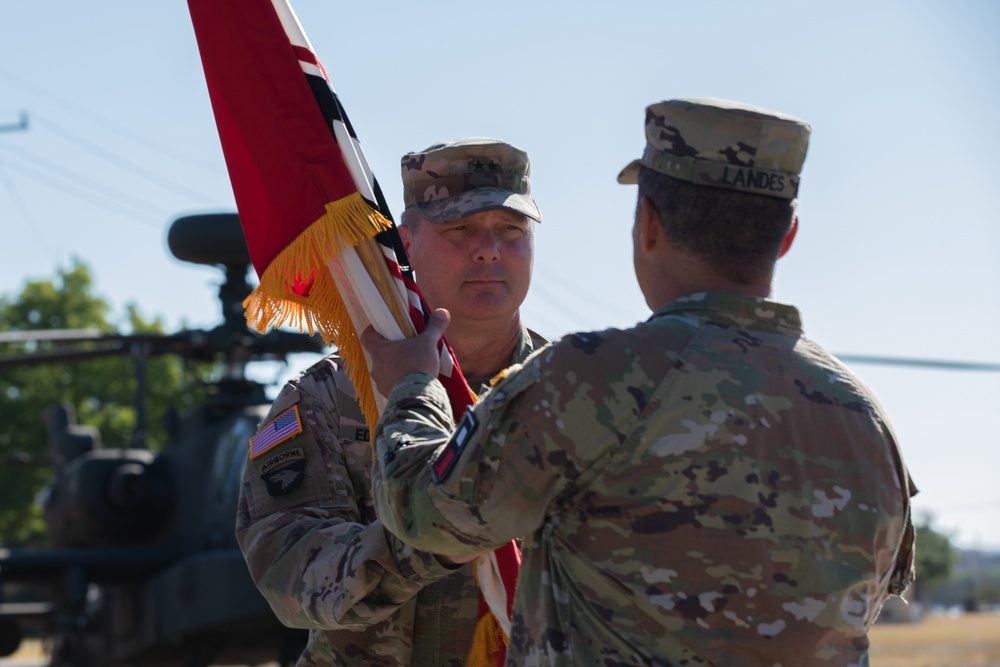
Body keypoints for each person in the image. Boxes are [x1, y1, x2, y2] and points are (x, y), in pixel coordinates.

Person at [362, 98, 918, 666]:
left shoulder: (590, 381)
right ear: (787, 236)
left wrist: (411, 385)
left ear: (648, 223)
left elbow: (422, 513)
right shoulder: (864, 420)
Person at [236, 137, 546, 666]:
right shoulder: (330, 396)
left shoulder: (571, 391)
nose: (489, 249)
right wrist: (437, 537)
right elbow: (287, 573)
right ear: (405, 244)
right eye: (460, 229)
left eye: (511, 230)